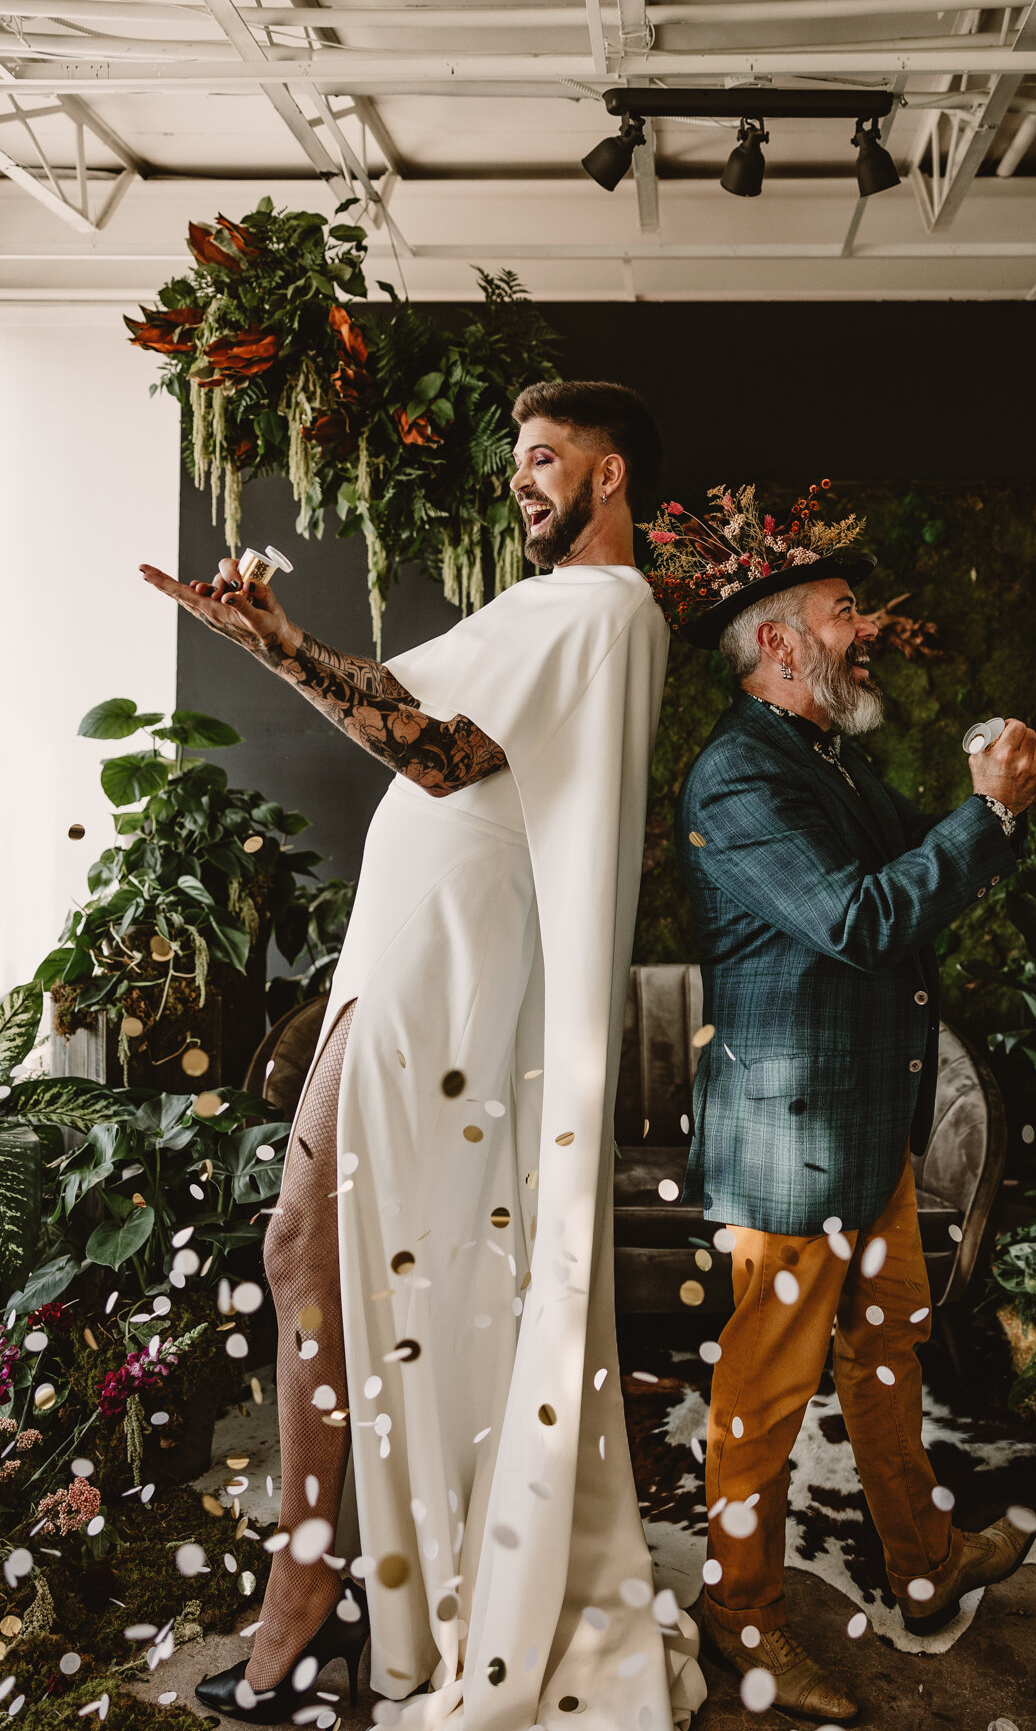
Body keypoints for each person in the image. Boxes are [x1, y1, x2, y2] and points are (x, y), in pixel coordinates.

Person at [140, 382, 705, 1731]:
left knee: (312, 1255)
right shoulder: (547, 610)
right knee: (324, 1263)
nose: (523, 482)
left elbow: (440, 754)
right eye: (518, 460)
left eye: (545, 459)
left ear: (610, 473)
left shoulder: (605, 609)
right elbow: (427, 723)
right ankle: (331, 1577)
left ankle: (306, 1590)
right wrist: (273, 636)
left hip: (435, 990)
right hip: (398, 967)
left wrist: (277, 651)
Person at [645, 483, 1036, 1723]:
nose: (862, 627)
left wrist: (1006, 798)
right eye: (841, 613)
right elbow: (858, 917)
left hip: (859, 1127)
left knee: (884, 1347)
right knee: (764, 1393)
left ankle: (923, 1568)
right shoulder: (737, 777)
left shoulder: (818, 756)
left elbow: (913, 864)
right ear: (776, 643)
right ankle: (743, 1619)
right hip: (789, 1143)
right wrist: (986, 809)